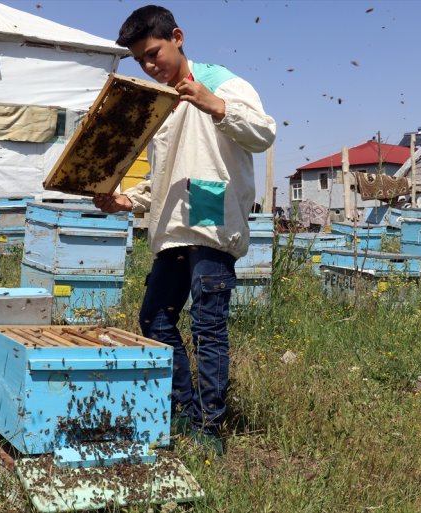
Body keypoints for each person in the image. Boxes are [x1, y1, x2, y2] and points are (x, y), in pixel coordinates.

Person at [93, 5, 276, 455]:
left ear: (177, 36)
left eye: (153, 53)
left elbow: (264, 133)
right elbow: (167, 174)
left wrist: (216, 105)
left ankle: (210, 426)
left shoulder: (222, 82)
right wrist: (127, 200)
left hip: (211, 215)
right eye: (140, 61)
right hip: (171, 224)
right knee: (155, 319)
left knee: (208, 325)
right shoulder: (159, 105)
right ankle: (183, 407)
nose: (150, 65)